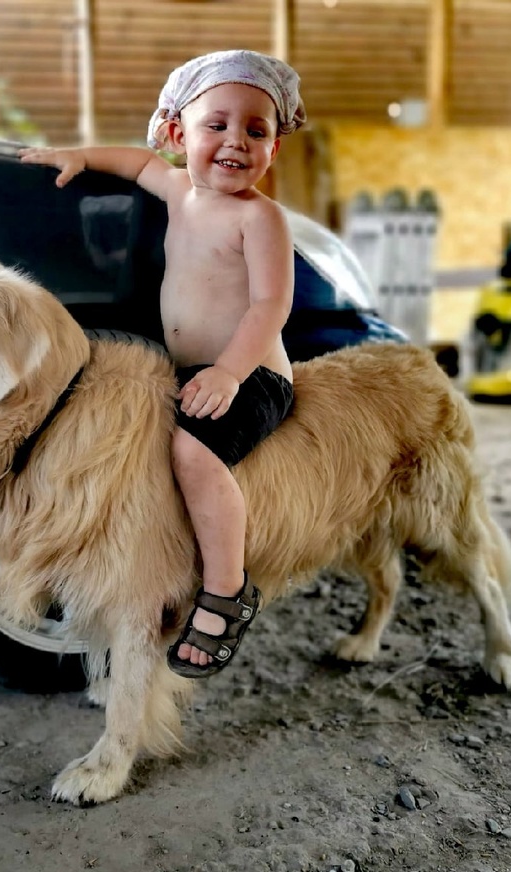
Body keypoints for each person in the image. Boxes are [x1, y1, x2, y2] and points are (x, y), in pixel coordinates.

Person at [19, 49, 304, 678]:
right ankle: (150, 569)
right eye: (217, 125)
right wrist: (79, 156)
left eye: (256, 131)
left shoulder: (261, 218)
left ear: (273, 149)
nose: (236, 142)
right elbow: (137, 163)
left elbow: (270, 305)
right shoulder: (178, 189)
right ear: (179, 132)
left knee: (193, 455)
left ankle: (227, 592)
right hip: (188, 371)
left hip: (253, 372)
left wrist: (230, 373)